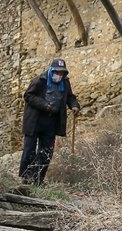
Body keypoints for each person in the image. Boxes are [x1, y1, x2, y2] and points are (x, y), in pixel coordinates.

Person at [18, 57, 80, 185]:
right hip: (35, 120)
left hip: (52, 122)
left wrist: (74, 105)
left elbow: (69, 97)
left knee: (46, 151)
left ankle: (38, 179)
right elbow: (28, 96)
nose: (59, 75)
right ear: (51, 70)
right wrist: (44, 105)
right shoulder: (40, 80)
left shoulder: (65, 83)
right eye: (57, 72)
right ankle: (27, 176)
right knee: (29, 148)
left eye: (61, 72)